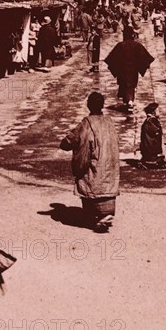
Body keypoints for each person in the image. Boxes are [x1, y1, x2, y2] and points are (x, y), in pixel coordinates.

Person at [60, 92, 120, 233]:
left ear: (88, 105)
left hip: (96, 163)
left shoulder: (86, 124)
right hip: (109, 164)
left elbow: (74, 139)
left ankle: (96, 217)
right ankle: (105, 214)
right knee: (106, 187)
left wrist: (65, 143)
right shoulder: (109, 121)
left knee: (88, 180)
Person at [104, 26, 154, 113]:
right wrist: (142, 66)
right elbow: (145, 57)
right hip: (133, 70)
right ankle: (129, 102)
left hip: (122, 70)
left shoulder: (120, 45)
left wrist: (116, 68)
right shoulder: (137, 45)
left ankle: (129, 102)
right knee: (131, 86)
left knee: (124, 85)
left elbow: (112, 58)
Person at [138, 102, 165, 169]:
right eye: (158, 111)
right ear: (153, 112)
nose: (159, 112)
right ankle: (146, 163)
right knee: (152, 153)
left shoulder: (151, 120)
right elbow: (155, 130)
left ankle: (150, 161)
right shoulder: (150, 121)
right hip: (151, 143)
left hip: (151, 142)